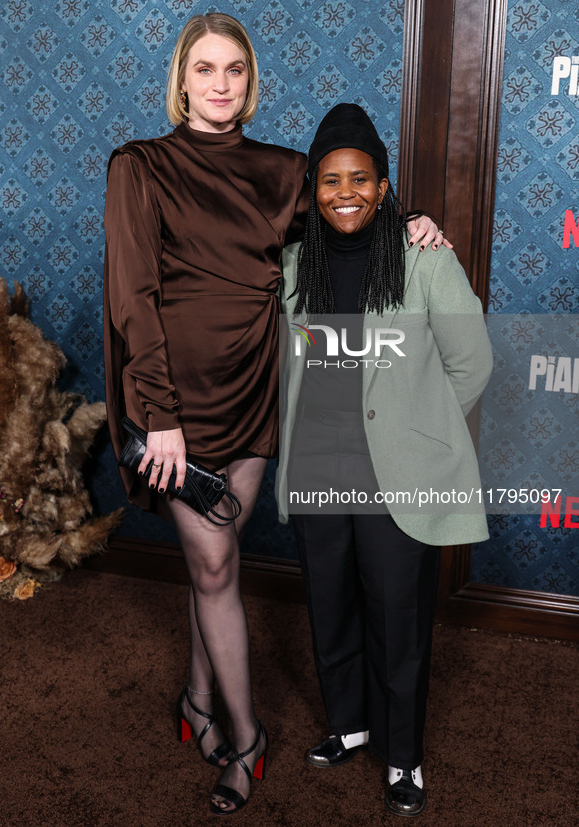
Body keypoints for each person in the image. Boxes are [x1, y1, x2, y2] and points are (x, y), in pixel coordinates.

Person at [104, 13, 446, 816]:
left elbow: (347, 211)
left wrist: (413, 219)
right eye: (205, 69)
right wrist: (156, 414)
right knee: (218, 566)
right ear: (180, 79)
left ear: (249, 81)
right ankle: (247, 738)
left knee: (209, 563)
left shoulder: (283, 169)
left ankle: (196, 701)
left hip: (254, 389)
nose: (220, 84)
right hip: (174, 403)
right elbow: (132, 295)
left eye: (234, 70)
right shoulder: (140, 166)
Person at [276, 103, 493, 817]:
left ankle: (404, 757)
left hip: (394, 473)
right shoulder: (290, 265)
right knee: (330, 604)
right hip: (316, 464)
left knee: (397, 618)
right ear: (314, 188)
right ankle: (348, 723)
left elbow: (472, 363)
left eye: (359, 179)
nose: (345, 192)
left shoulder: (422, 256)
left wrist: (414, 425)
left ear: (382, 185)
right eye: (330, 179)